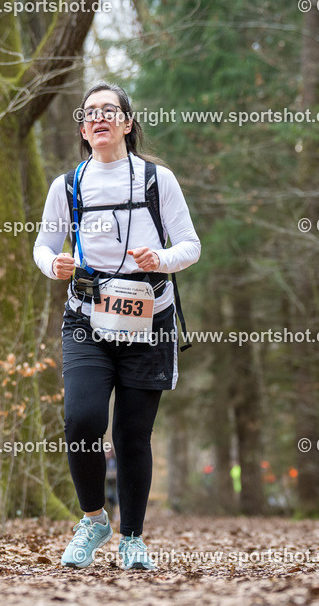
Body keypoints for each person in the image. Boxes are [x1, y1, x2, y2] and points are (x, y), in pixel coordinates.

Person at [33, 83, 201, 570]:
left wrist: (160, 258)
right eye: (90, 113)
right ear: (83, 129)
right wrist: (54, 266)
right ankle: (93, 519)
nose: (99, 118)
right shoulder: (67, 186)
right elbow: (44, 246)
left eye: (110, 111)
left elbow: (190, 245)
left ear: (127, 123)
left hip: (149, 316)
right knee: (82, 420)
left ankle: (132, 537)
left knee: (132, 434)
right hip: (86, 316)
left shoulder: (156, 179)